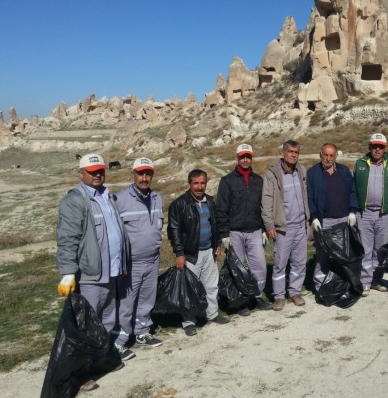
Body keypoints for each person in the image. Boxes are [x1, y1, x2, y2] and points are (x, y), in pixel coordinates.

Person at [56, 153, 130, 389]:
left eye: (100, 170)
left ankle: (100, 361)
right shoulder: (74, 201)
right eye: (92, 171)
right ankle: (80, 372)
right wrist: (68, 273)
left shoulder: (107, 196)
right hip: (91, 275)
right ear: (81, 173)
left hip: (112, 271)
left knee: (107, 319)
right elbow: (67, 239)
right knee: (87, 324)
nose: (98, 174)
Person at [167, 169, 230, 336]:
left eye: (202, 183)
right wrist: (179, 253)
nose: (199, 187)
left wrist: (217, 243)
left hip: (209, 251)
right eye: (196, 183)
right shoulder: (179, 204)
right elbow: (174, 231)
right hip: (190, 254)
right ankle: (189, 321)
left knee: (210, 285)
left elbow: (214, 224)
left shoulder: (210, 201)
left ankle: (212, 314)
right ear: (189, 184)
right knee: (190, 289)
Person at [113, 157, 164, 356]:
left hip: (153, 258)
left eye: (148, 173)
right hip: (131, 262)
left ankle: (142, 331)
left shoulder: (157, 198)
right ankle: (119, 340)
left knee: (146, 299)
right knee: (126, 302)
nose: (144, 178)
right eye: (140, 173)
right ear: (132, 174)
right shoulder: (120, 199)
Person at [216, 144, 272, 315]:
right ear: (237, 159)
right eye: (242, 157)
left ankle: (257, 295)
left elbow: (263, 207)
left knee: (260, 267)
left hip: (254, 230)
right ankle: (239, 301)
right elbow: (221, 209)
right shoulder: (227, 181)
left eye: (248, 156)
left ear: (251, 158)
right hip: (235, 232)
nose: (245, 159)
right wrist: (224, 234)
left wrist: (263, 229)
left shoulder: (258, 180)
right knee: (237, 269)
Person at [353, 133, 388, 295]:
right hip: (365, 214)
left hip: (385, 215)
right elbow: (352, 189)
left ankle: (376, 280)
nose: (377, 149)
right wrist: (352, 211)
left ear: (385, 148)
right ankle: (365, 282)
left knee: (380, 249)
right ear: (369, 147)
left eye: (381, 147)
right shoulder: (360, 164)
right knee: (366, 249)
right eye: (375, 146)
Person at [261, 140, 310, 311]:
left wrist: (308, 219)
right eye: (290, 151)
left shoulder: (301, 171)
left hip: (301, 226)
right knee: (280, 263)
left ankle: (295, 292)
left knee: (299, 262)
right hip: (283, 228)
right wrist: (269, 224)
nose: (293, 155)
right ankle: (279, 296)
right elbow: (266, 200)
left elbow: (306, 196)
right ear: (283, 153)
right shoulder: (273, 173)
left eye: (296, 152)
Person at [307, 142, 358, 292]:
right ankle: (320, 286)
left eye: (331, 155)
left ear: (336, 156)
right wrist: (314, 217)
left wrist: (352, 211)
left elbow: (352, 192)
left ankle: (344, 283)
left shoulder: (343, 171)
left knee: (344, 254)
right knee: (322, 256)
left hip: (343, 220)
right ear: (320, 154)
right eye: (325, 155)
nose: (328, 158)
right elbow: (309, 198)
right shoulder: (313, 173)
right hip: (324, 221)